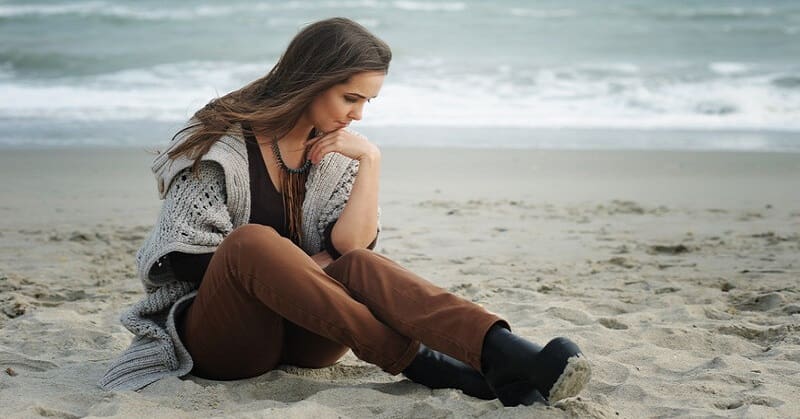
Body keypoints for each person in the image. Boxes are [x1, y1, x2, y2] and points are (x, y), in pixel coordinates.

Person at [98, 17, 591, 407]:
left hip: (310, 338)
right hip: (225, 341)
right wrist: (291, 266)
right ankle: (426, 364)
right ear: (311, 81)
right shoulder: (220, 139)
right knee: (252, 243)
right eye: (351, 98)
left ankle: (502, 352)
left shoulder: (335, 150)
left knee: (360, 264)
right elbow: (184, 257)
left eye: (368, 101)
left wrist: (370, 159)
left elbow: (350, 250)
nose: (358, 114)